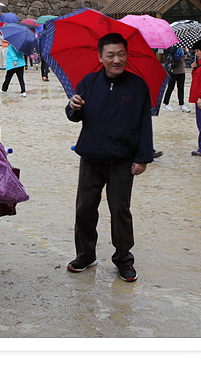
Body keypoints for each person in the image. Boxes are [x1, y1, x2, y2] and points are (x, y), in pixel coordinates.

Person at [65, 32, 153, 282]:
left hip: (122, 160)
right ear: (100, 56)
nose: (116, 60)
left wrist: (142, 157)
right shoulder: (89, 82)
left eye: (121, 54)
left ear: (127, 55)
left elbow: (144, 124)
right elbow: (74, 116)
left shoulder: (138, 86)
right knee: (84, 209)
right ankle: (85, 255)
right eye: (111, 55)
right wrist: (72, 107)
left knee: (120, 211)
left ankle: (124, 259)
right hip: (91, 158)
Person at [161, 44, 190, 112]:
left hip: (181, 70)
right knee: (170, 87)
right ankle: (166, 103)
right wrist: (182, 50)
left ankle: (181, 104)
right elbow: (171, 54)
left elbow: (184, 58)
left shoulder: (182, 44)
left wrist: (185, 52)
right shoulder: (171, 46)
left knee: (181, 88)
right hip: (173, 70)